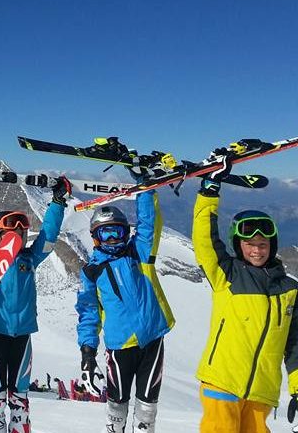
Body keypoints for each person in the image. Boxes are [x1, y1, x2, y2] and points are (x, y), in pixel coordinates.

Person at [193, 150, 298, 433]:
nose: (257, 249)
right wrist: (209, 192)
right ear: (239, 246)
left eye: (263, 244)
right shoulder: (227, 275)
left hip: (262, 393)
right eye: (250, 244)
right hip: (221, 384)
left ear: (272, 246)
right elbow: (205, 242)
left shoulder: (289, 289)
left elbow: (294, 342)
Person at [0, 164, 69, 433]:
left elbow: (48, 236)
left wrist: (57, 202)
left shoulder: (29, 260)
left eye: (20, 232)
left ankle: (19, 424)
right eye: (9, 231)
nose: (16, 236)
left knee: (19, 396)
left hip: (22, 335)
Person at [75, 184, 175, 433]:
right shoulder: (91, 272)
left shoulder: (139, 253)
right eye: (106, 234)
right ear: (96, 237)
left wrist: (147, 189)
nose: (112, 240)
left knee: (147, 408)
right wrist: (88, 354)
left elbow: (148, 225)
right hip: (119, 347)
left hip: (152, 340)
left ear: (126, 232)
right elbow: (88, 313)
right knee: (117, 406)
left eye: (117, 232)